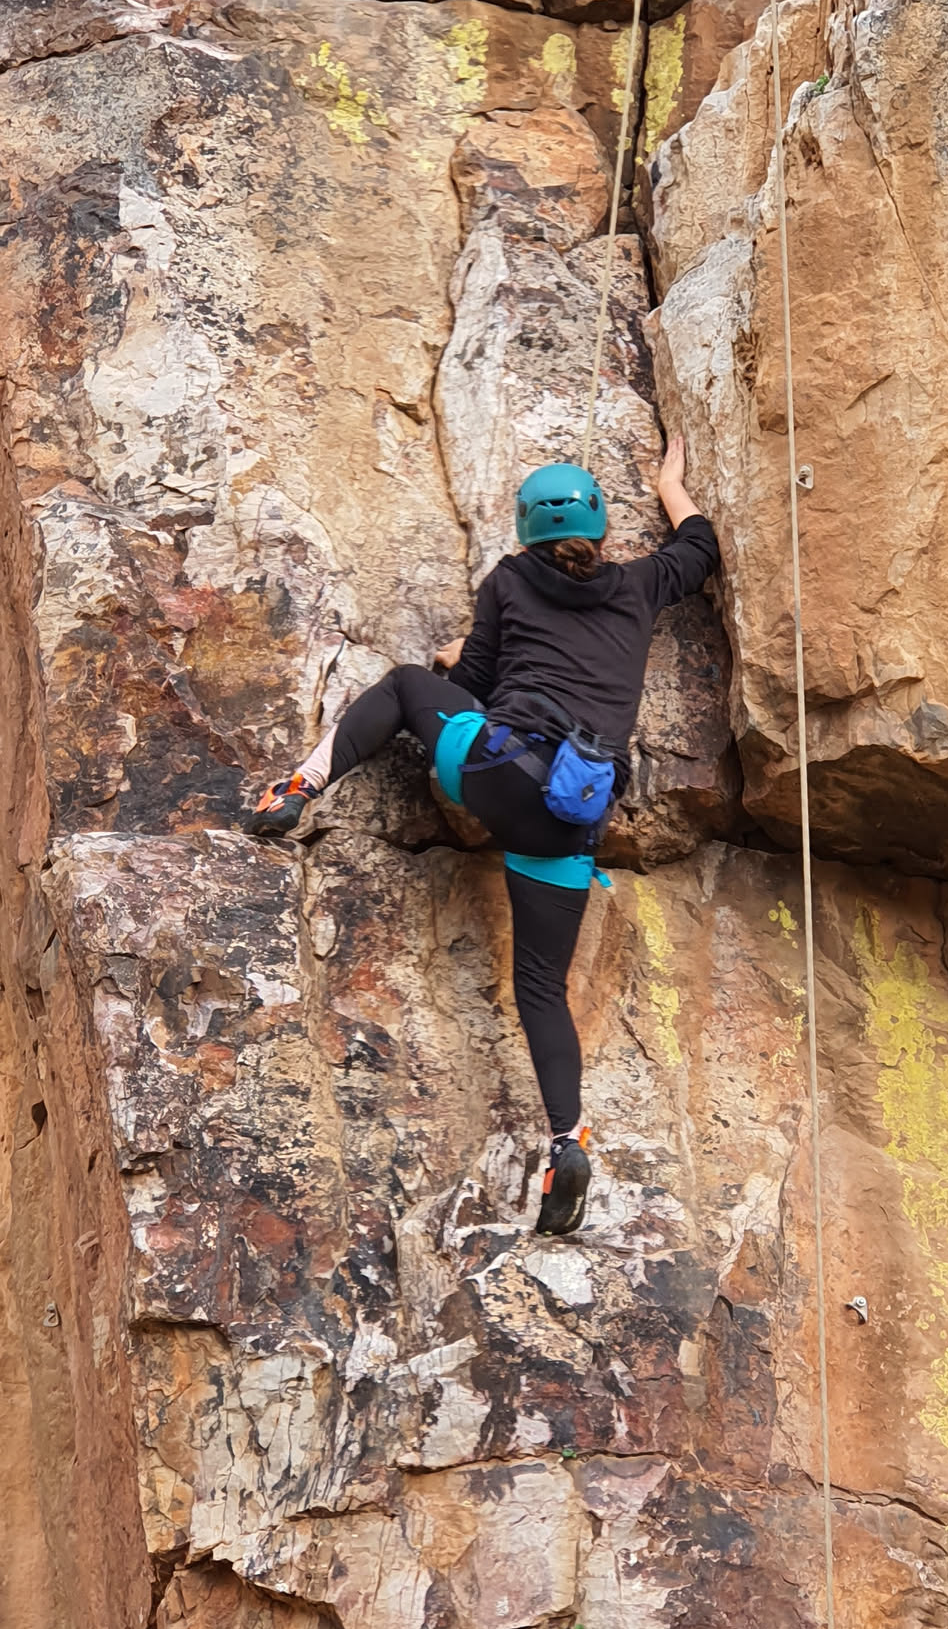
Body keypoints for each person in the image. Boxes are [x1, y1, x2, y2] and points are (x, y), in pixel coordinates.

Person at [246, 435, 719, 1235]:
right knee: (540, 987)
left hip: (497, 776)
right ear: (602, 528)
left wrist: (454, 657)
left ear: (526, 529)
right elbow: (699, 549)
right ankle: (566, 1142)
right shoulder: (640, 585)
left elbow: (472, 686)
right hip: (571, 815)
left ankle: (299, 787)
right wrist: (671, 481)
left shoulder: (508, 580)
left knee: (406, 686)